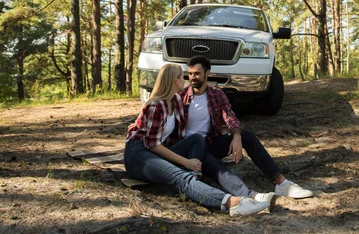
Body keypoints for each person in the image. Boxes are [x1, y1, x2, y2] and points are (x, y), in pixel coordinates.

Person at [123, 63, 270, 216]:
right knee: (179, 177)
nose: (185, 80)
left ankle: (194, 181)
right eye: (181, 77)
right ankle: (231, 203)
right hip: (138, 154)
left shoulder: (176, 102)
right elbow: (153, 145)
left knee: (196, 139)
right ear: (174, 80)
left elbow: (176, 135)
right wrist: (186, 162)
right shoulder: (156, 106)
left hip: (155, 151)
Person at [176, 56, 314, 210]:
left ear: (207, 73)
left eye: (197, 73)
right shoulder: (180, 97)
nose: (192, 77)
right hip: (191, 150)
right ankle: (251, 196)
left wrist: (236, 136)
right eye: (190, 73)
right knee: (216, 166)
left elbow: (231, 118)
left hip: (210, 143)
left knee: (246, 135)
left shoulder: (216, 95)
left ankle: (282, 183)